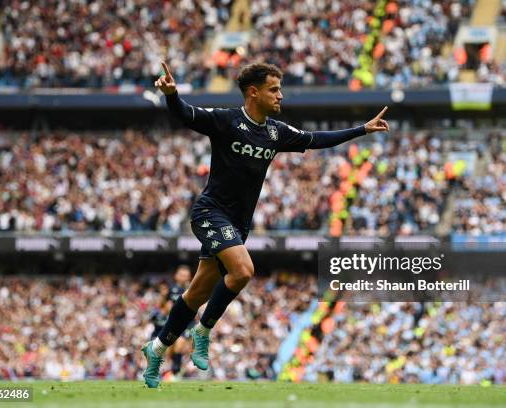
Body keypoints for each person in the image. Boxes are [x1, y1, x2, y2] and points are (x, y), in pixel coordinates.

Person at [141, 61, 389, 388]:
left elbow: (316, 139)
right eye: (274, 89)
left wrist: (362, 129)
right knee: (243, 271)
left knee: (197, 291)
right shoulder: (226, 120)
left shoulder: (275, 132)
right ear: (253, 92)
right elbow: (187, 115)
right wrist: (172, 95)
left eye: (280, 89)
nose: (280, 96)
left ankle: (157, 349)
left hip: (238, 225)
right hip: (210, 213)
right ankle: (203, 331)